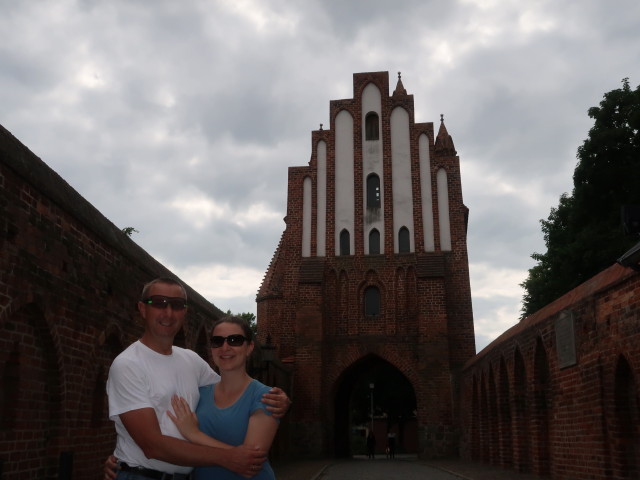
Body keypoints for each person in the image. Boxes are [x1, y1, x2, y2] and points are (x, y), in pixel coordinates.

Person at [104, 277, 290, 480]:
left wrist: (281, 398)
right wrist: (228, 457)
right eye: (159, 303)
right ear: (142, 308)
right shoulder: (129, 364)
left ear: (184, 311)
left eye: (176, 305)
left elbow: (231, 386)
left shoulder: (191, 360)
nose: (168, 313)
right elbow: (152, 446)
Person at [168, 315, 279, 479]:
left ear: (249, 347)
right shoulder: (200, 393)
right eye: (217, 341)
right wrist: (121, 460)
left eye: (235, 340)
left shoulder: (265, 397)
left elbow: (250, 461)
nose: (225, 347)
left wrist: (194, 434)